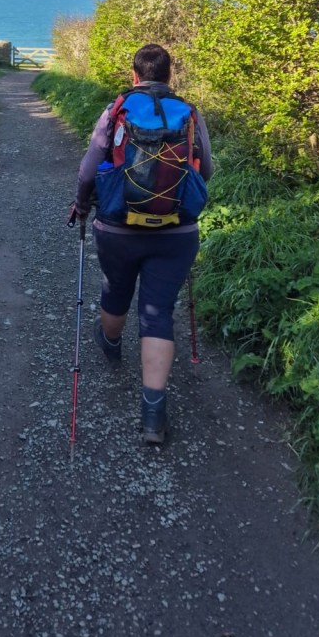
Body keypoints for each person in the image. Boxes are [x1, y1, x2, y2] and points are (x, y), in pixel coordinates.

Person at [72, 43, 213, 443]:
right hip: (176, 232)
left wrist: (82, 205)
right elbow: (206, 169)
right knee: (158, 313)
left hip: (118, 227)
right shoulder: (189, 113)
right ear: (170, 75)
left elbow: (88, 171)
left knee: (116, 290)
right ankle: (153, 415)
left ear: (134, 75)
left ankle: (111, 341)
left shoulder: (117, 109)